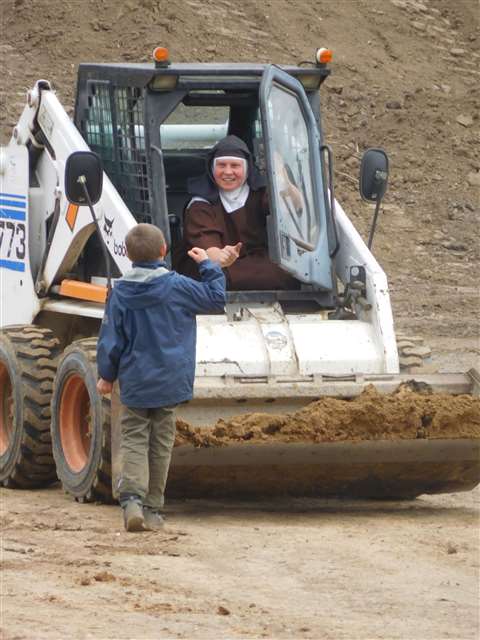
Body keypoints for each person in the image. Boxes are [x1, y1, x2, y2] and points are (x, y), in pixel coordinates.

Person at [96, 223, 226, 532]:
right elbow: (216, 298)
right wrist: (208, 265)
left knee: (134, 438)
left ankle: (131, 502)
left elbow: (111, 340)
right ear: (164, 251)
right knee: (161, 443)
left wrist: (106, 376)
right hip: (170, 381)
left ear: (127, 255)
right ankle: (153, 509)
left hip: (136, 381)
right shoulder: (179, 286)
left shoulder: (120, 292)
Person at [178, 135, 299, 291]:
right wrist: (221, 257)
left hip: (255, 261)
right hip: (215, 262)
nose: (228, 172)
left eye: (235, 166)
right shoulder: (200, 204)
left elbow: (295, 209)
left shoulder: (260, 193)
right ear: (212, 168)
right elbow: (208, 250)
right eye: (221, 165)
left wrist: (283, 177)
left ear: (247, 168)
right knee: (214, 276)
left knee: (288, 272)